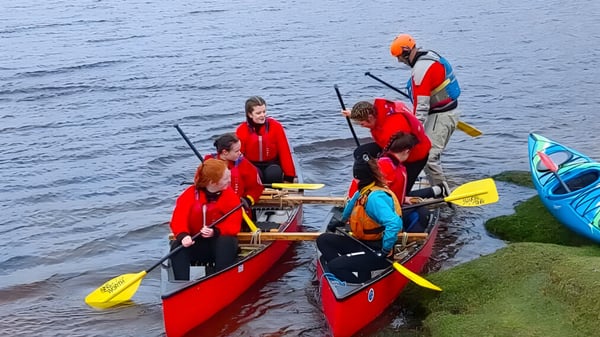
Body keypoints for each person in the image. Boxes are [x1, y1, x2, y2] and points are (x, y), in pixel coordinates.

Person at [316, 152, 406, 283]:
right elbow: (349, 207)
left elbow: (394, 223)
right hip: (362, 243)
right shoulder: (363, 191)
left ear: (358, 177)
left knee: (335, 266)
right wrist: (340, 221)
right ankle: (352, 271)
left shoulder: (375, 198)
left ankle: (357, 285)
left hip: (378, 251)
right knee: (323, 240)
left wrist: (385, 250)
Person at [390, 33, 460, 188]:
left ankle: (442, 195)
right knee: (422, 154)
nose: (399, 61)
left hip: (441, 116)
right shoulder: (430, 56)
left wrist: (413, 133)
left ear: (407, 53)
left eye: (400, 57)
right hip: (446, 112)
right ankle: (432, 184)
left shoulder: (421, 70)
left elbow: (421, 107)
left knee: (429, 157)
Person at [343, 98, 440, 196]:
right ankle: (365, 184)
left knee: (397, 196)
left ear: (371, 117)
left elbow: (397, 155)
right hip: (390, 144)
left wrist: (384, 173)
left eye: (362, 124)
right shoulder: (378, 112)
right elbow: (366, 115)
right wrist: (352, 114)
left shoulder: (392, 128)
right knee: (361, 153)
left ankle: (438, 191)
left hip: (413, 155)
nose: (362, 126)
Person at [169, 158, 243, 280]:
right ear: (212, 182)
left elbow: (234, 223)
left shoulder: (230, 196)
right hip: (196, 243)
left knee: (226, 241)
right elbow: (178, 219)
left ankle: (221, 279)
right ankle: (181, 284)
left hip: (218, 245)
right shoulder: (189, 195)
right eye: (225, 179)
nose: (229, 181)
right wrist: (183, 236)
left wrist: (215, 232)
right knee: (177, 246)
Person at [236, 96, 297, 184]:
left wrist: (289, 176)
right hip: (252, 165)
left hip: (272, 164)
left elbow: (284, 151)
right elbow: (237, 155)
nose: (263, 115)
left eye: (264, 112)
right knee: (254, 174)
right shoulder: (241, 130)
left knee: (273, 174)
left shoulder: (276, 126)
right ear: (250, 114)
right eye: (258, 113)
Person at [204, 132, 264, 212]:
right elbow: (200, 186)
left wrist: (248, 200)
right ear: (225, 152)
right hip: (214, 210)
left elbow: (257, 187)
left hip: (238, 209)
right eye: (237, 151)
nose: (240, 153)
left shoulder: (244, 164)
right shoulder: (207, 164)